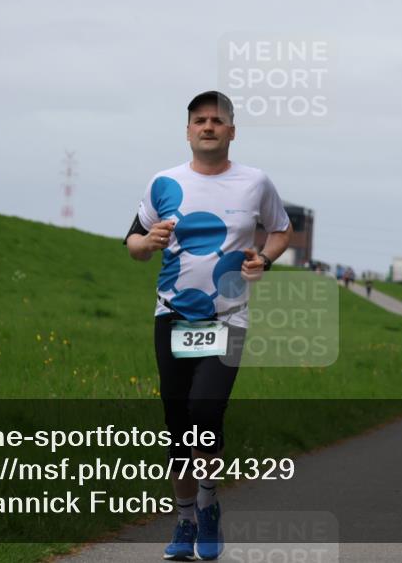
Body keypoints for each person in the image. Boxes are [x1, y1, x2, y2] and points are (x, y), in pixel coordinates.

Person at [124, 91, 292, 560]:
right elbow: (133, 243)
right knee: (178, 426)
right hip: (171, 315)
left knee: (205, 411)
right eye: (200, 120)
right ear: (188, 130)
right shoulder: (164, 182)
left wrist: (265, 257)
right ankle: (185, 518)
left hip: (228, 317)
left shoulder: (255, 182)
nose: (208, 126)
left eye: (218, 120)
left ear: (232, 130)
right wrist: (148, 241)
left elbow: (281, 230)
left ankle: (209, 502)